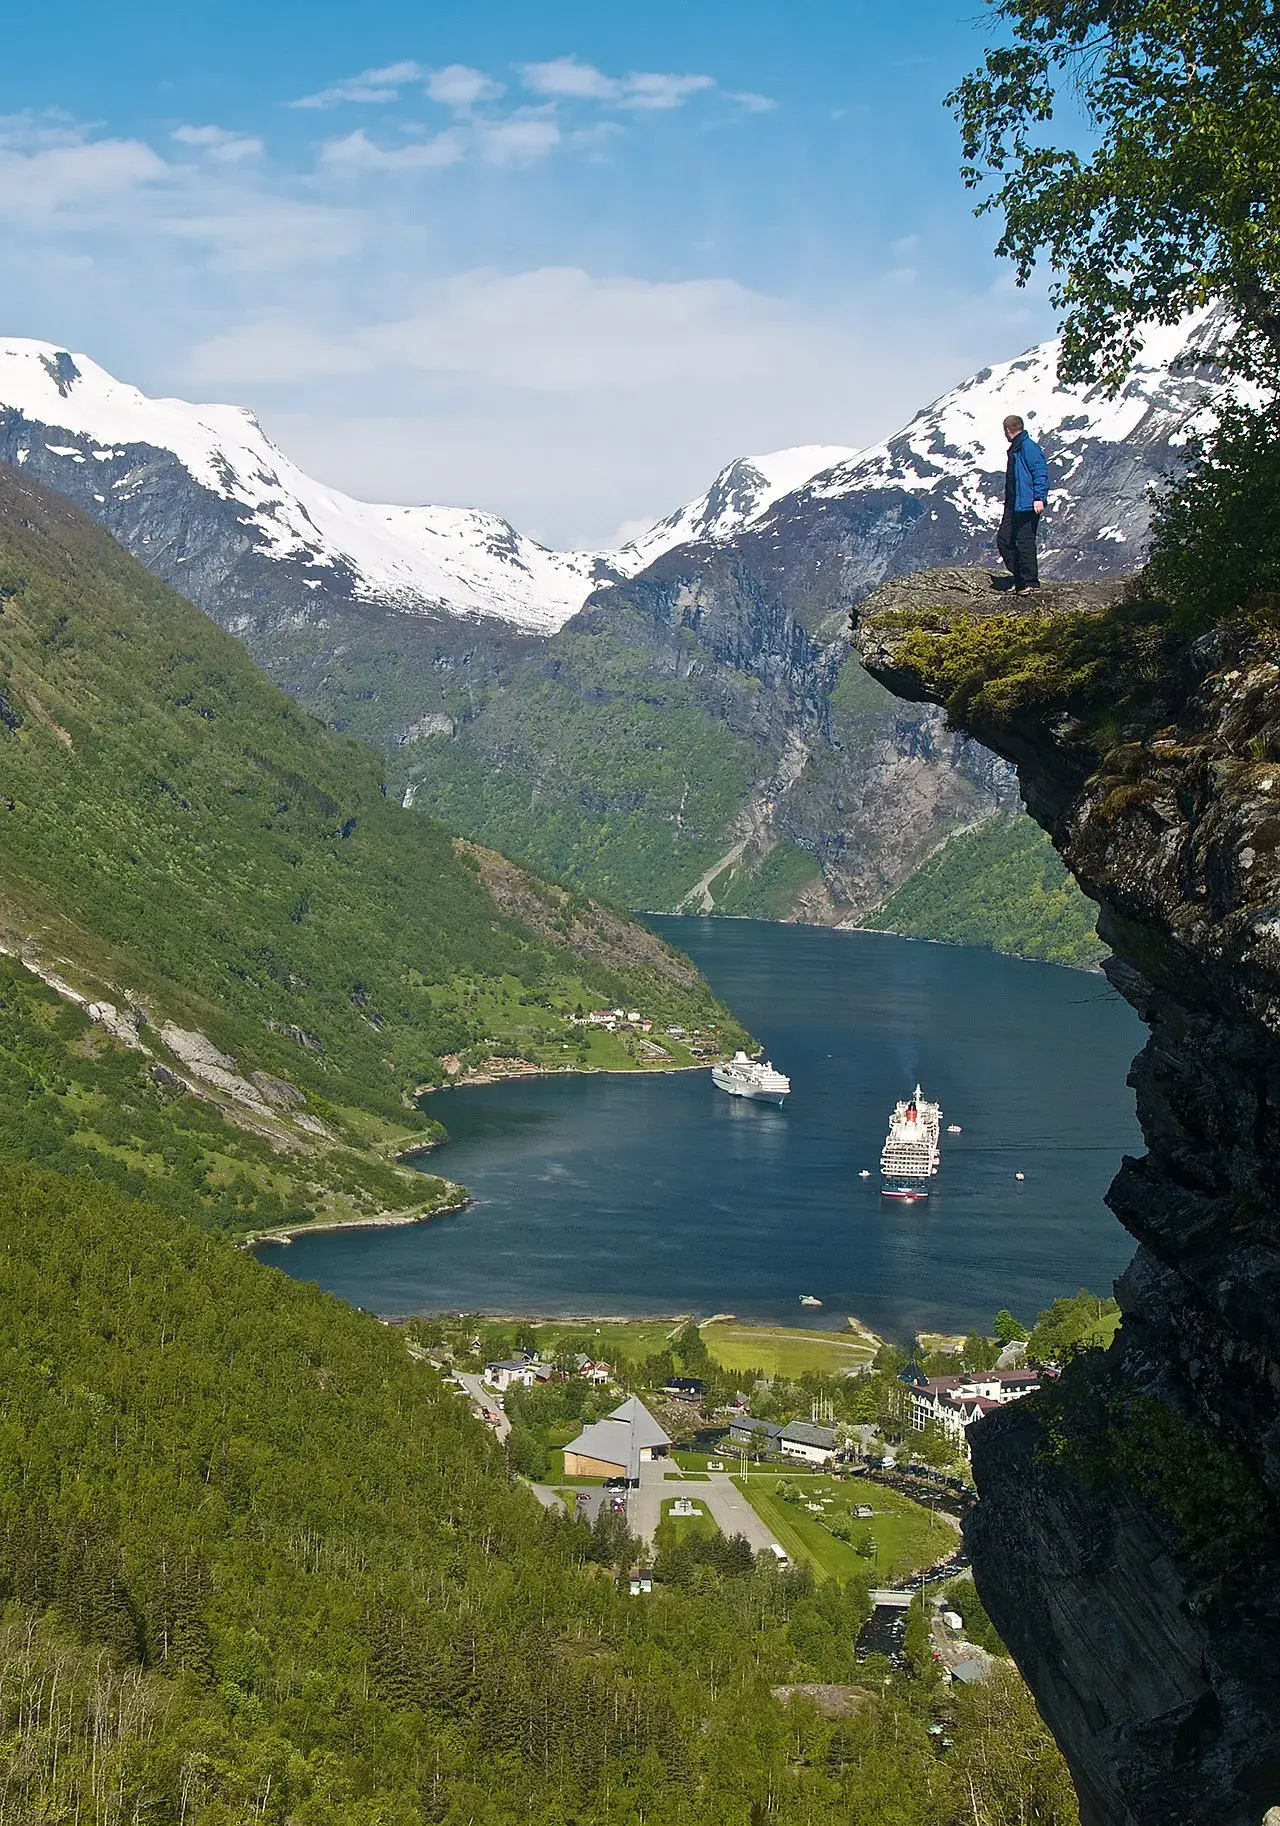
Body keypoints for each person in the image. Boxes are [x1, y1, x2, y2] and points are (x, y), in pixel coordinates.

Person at [997, 414, 1048, 592]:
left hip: (1028, 503)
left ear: (1007, 430)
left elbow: (1040, 471)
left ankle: (1030, 583)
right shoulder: (1017, 448)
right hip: (1014, 503)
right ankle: (1019, 578)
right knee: (1004, 539)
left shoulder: (1028, 447)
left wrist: (1039, 497)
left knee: (1025, 541)